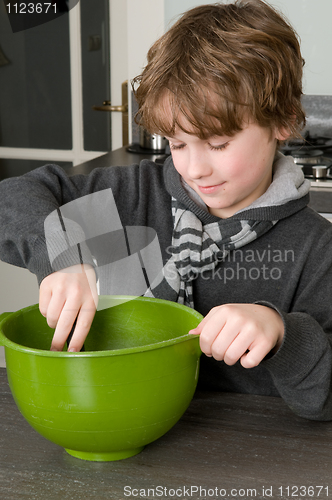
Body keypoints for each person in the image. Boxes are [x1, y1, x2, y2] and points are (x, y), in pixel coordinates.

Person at [1, 0, 332, 421]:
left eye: (218, 143)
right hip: (112, 420)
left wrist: (282, 332)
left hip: (242, 456)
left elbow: (324, 399)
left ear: (283, 121)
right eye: (177, 144)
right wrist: (62, 254)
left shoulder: (316, 249)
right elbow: (14, 196)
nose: (195, 168)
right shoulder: (131, 194)